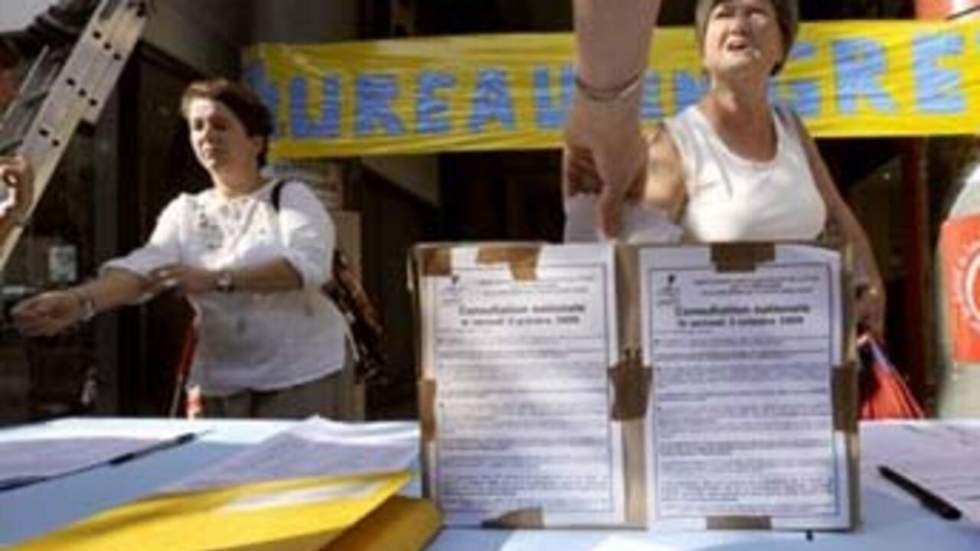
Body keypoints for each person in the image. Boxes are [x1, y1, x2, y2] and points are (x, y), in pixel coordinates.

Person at [12, 78, 347, 419]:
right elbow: (144, 271)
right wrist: (79, 301)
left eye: (221, 125)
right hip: (219, 378)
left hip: (301, 371)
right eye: (197, 126)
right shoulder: (186, 210)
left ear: (255, 142)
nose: (207, 135)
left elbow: (308, 267)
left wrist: (217, 279)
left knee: (293, 473)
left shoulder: (291, 196)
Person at [564, 0, 886, 336]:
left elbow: (836, 212)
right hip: (717, 365)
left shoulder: (791, 126)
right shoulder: (675, 143)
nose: (739, 24)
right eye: (724, 13)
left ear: (782, 45)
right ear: (703, 50)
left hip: (805, 353)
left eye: (756, 12)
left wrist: (871, 282)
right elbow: (636, 272)